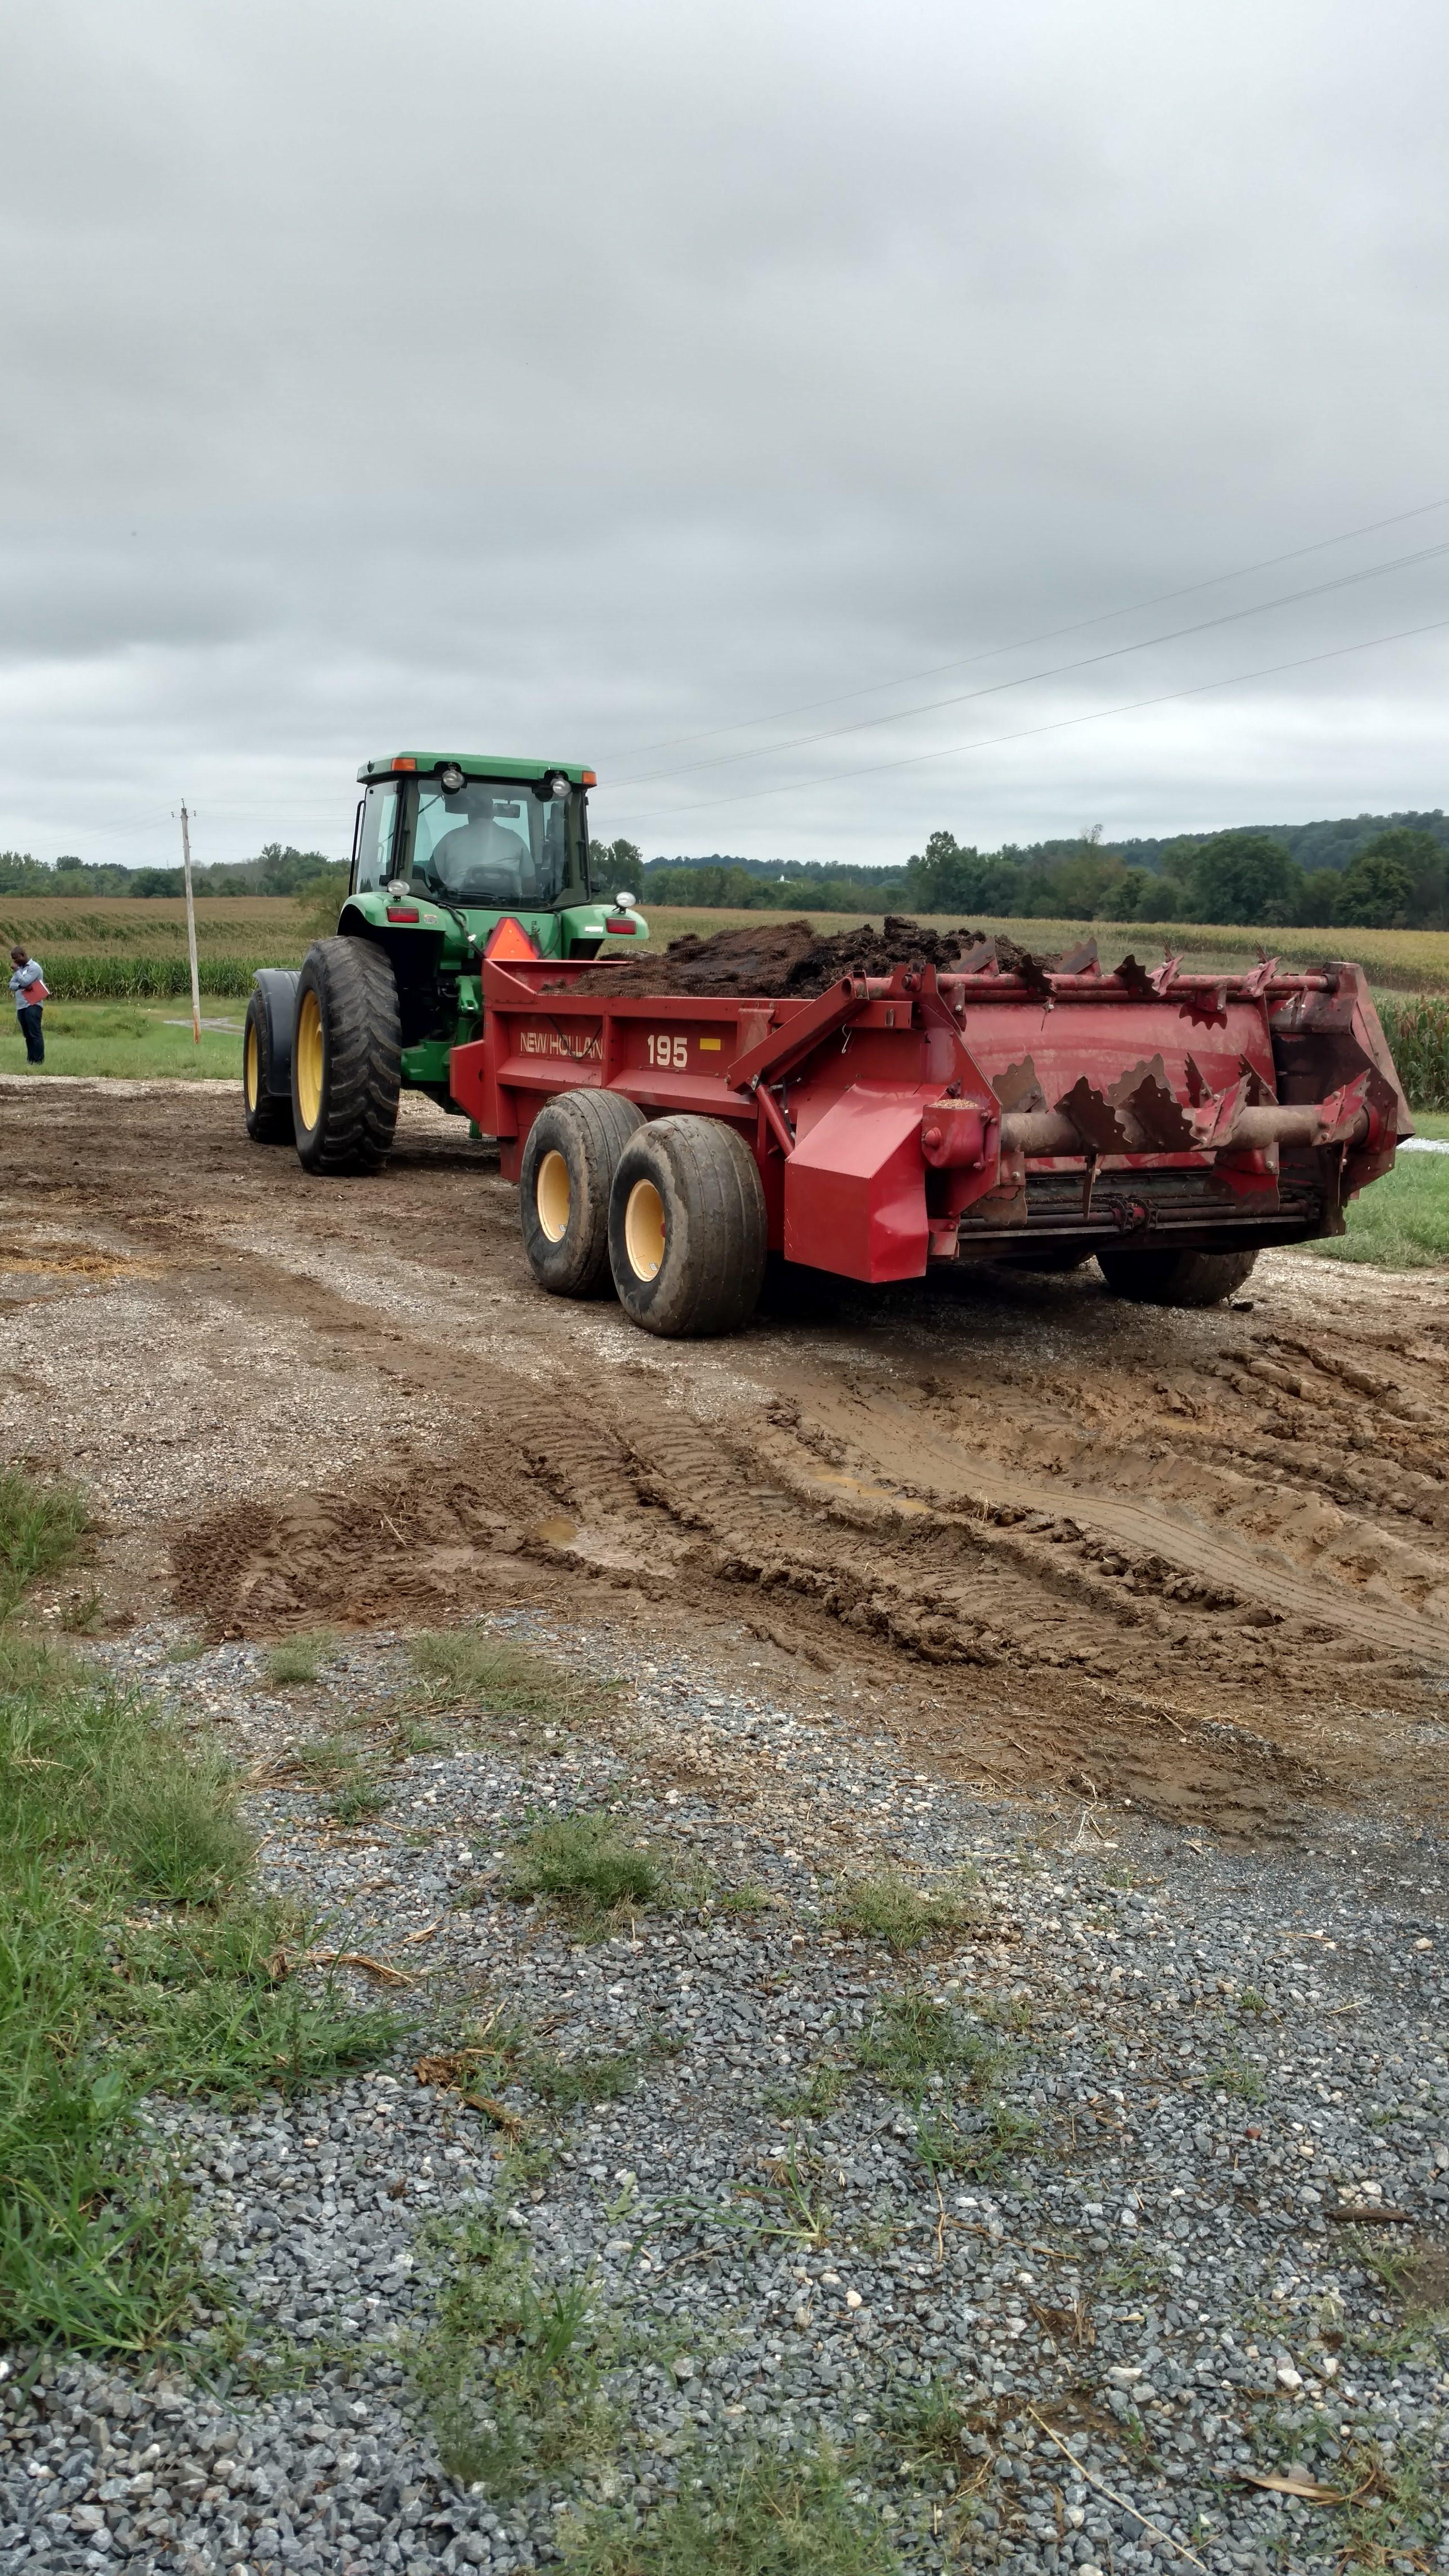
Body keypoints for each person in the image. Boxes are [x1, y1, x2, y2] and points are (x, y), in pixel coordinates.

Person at [8, 946, 47, 1065]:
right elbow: (11, 985)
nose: (15, 962)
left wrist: (17, 973)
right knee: (27, 1035)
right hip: (21, 1006)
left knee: (35, 1033)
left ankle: (39, 1061)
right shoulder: (21, 969)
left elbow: (25, 982)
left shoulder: (34, 968)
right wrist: (21, 986)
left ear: (23, 955)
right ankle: (31, 1060)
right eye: (13, 959)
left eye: (16, 958)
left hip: (33, 1004)